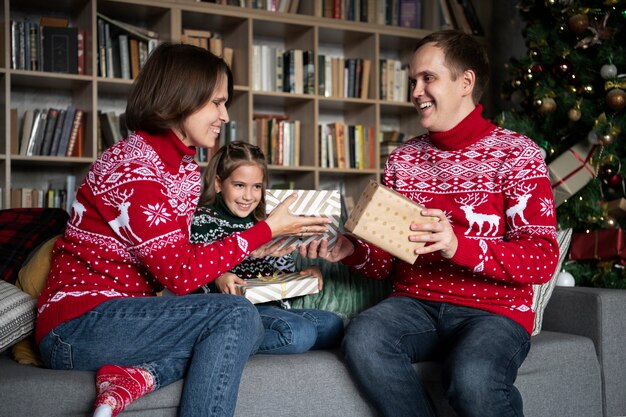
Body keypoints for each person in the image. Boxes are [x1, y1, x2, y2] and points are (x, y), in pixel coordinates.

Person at [35, 43, 330, 417]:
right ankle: (146, 374)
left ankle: (140, 375)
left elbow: (183, 264)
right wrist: (265, 229)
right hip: (79, 326)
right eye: (217, 103)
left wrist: (263, 249)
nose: (225, 115)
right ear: (181, 99)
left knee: (308, 325)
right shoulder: (132, 167)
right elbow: (181, 274)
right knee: (237, 315)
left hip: (133, 315)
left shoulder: (185, 171)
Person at [302, 30, 559, 417]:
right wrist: (352, 251)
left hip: (494, 310)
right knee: (364, 336)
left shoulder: (518, 155)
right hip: (415, 304)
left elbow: (541, 260)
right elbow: (387, 262)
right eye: (413, 81)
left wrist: (458, 245)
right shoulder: (403, 160)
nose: (416, 91)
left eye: (428, 78)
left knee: (472, 376)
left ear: (465, 82)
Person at [190, 141, 344, 354]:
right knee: (299, 333)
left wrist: (304, 276)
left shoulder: (266, 222)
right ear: (218, 183)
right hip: (234, 311)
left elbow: (281, 275)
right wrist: (220, 277)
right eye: (239, 185)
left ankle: (247, 336)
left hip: (271, 308)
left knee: (333, 325)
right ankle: (220, 338)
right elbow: (193, 269)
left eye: (257, 187)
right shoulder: (203, 220)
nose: (248, 196)